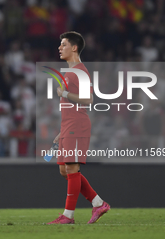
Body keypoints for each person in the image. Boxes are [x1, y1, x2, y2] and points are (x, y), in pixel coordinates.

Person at [47, 31, 110, 225]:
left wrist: (64, 92)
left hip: (78, 125)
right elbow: (70, 106)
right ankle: (98, 203)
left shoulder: (80, 71)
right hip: (69, 125)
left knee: (72, 167)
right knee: (65, 171)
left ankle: (68, 216)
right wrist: (62, 130)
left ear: (74, 48)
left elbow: (89, 100)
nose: (60, 47)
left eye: (64, 44)